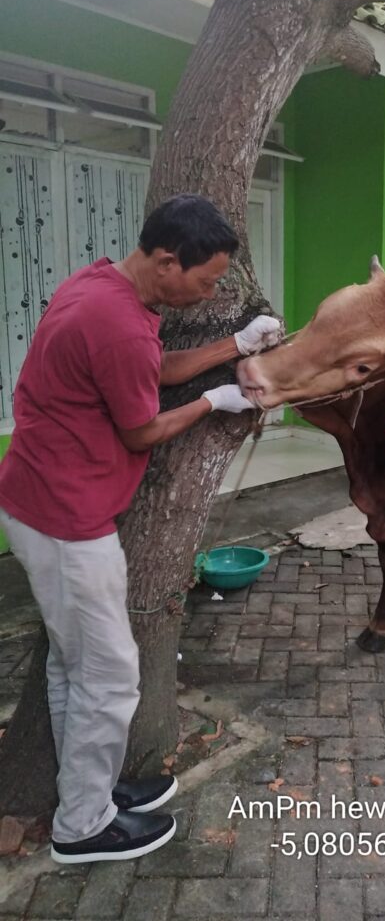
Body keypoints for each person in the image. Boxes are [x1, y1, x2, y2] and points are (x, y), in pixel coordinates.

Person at [0, 193, 280, 865]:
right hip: (67, 520)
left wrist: (233, 346)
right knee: (111, 674)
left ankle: (85, 793)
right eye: (207, 280)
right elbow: (141, 427)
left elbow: (147, 371)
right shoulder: (118, 322)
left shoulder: (103, 288)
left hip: (43, 502)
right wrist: (216, 400)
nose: (210, 291)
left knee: (77, 669)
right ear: (164, 259)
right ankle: (82, 828)